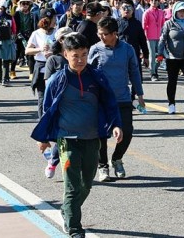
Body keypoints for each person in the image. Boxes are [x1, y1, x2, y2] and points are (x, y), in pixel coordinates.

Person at [31, 34, 122, 238]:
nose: (80, 59)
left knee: (86, 184)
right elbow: (47, 110)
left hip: (92, 139)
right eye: (75, 55)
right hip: (67, 140)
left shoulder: (97, 77)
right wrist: (44, 137)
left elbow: (110, 103)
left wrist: (116, 124)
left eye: (83, 54)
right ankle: (74, 227)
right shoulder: (57, 79)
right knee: (72, 186)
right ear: (65, 55)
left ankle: (67, 209)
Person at [89, 17, 144, 182]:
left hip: (123, 98)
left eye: (104, 34)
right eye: (99, 33)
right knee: (101, 135)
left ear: (115, 34)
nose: (101, 37)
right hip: (101, 100)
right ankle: (103, 166)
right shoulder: (95, 49)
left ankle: (117, 159)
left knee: (126, 132)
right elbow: (88, 74)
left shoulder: (127, 49)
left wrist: (140, 95)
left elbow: (134, 72)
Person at [42, 26, 77, 180]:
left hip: (76, 103)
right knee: (62, 137)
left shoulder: (76, 57)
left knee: (72, 137)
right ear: (61, 40)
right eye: (67, 37)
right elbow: (47, 83)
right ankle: (54, 162)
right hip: (59, 103)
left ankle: (60, 163)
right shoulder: (53, 59)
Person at [157, 1, 184, 115]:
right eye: (179, 11)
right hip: (172, 57)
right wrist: (160, 53)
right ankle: (171, 104)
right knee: (172, 81)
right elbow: (162, 39)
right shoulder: (168, 24)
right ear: (175, 12)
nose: (181, 14)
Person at [25, 8, 58, 117]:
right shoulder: (36, 34)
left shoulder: (58, 33)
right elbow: (28, 50)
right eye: (54, 18)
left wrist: (54, 52)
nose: (56, 20)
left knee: (55, 96)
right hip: (41, 68)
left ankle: (53, 122)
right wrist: (40, 49)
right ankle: (42, 121)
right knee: (42, 97)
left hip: (55, 68)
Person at [12, 0, 37, 79]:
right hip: (18, 36)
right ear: (20, 4)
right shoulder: (16, 14)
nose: (25, 5)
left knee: (30, 55)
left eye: (27, 3)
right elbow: (14, 26)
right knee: (16, 54)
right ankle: (12, 71)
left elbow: (34, 26)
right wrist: (17, 34)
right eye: (23, 3)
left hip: (29, 36)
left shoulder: (32, 14)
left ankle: (31, 73)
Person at [143, 0, 165, 82]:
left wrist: (163, 36)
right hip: (150, 36)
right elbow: (144, 26)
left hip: (159, 36)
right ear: (149, 1)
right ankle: (153, 73)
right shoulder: (147, 12)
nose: (154, 1)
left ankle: (155, 68)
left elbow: (163, 24)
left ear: (158, 1)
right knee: (152, 55)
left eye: (156, 0)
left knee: (160, 55)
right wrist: (144, 38)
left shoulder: (161, 12)